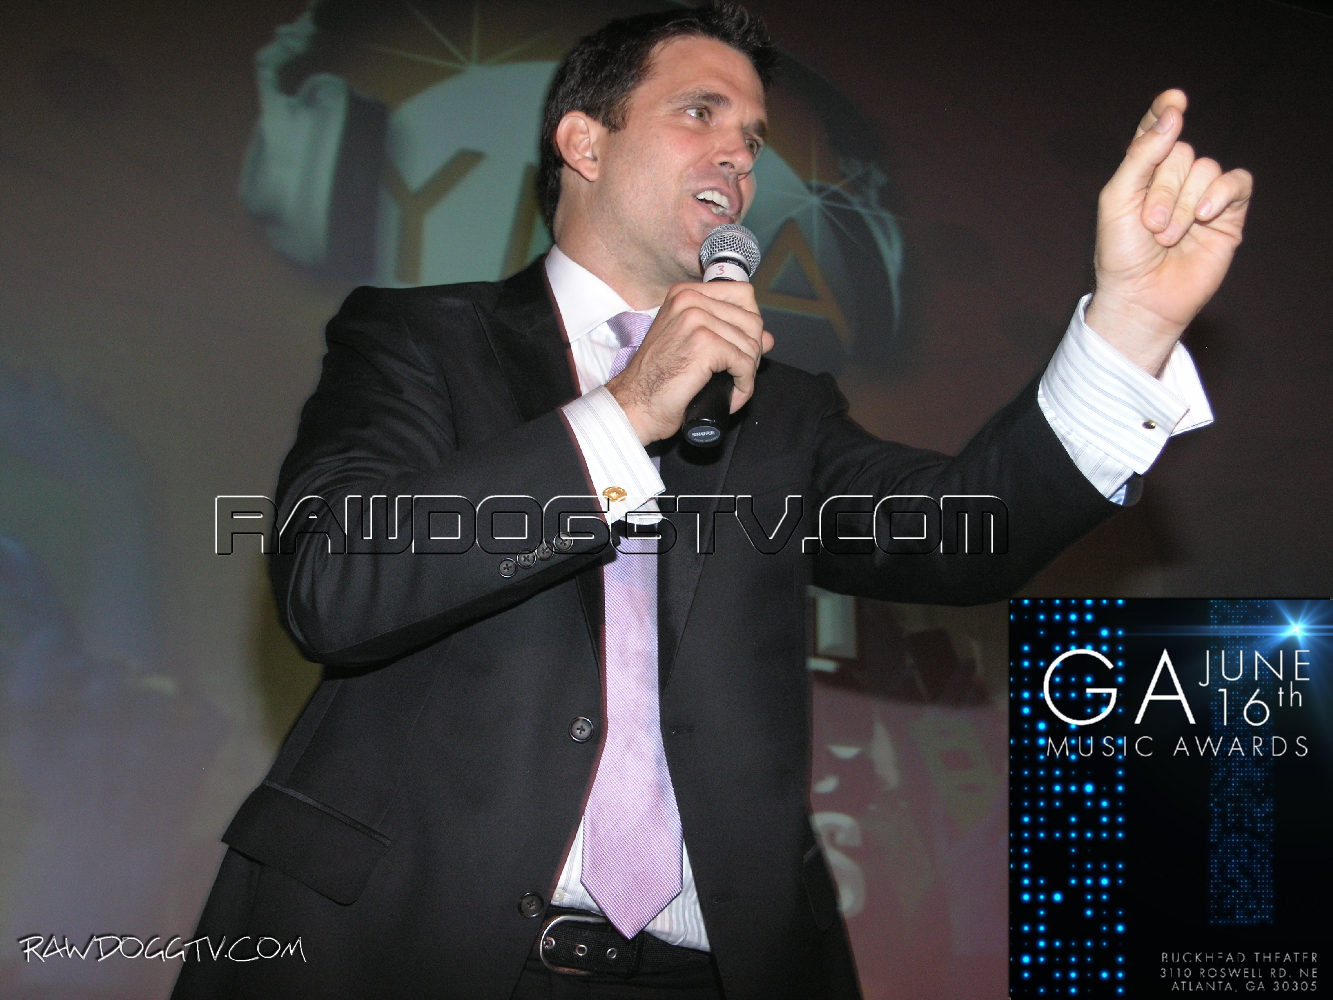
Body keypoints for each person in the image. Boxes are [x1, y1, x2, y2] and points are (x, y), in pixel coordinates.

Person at [173, 3, 1251, 998]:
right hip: (403, 956)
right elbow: (334, 580)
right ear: (584, 143)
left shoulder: (783, 409)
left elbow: (972, 533)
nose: (739, 153)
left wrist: (1129, 324)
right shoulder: (420, 338)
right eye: (700, 113)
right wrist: (627, 410)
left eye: (753, 135)